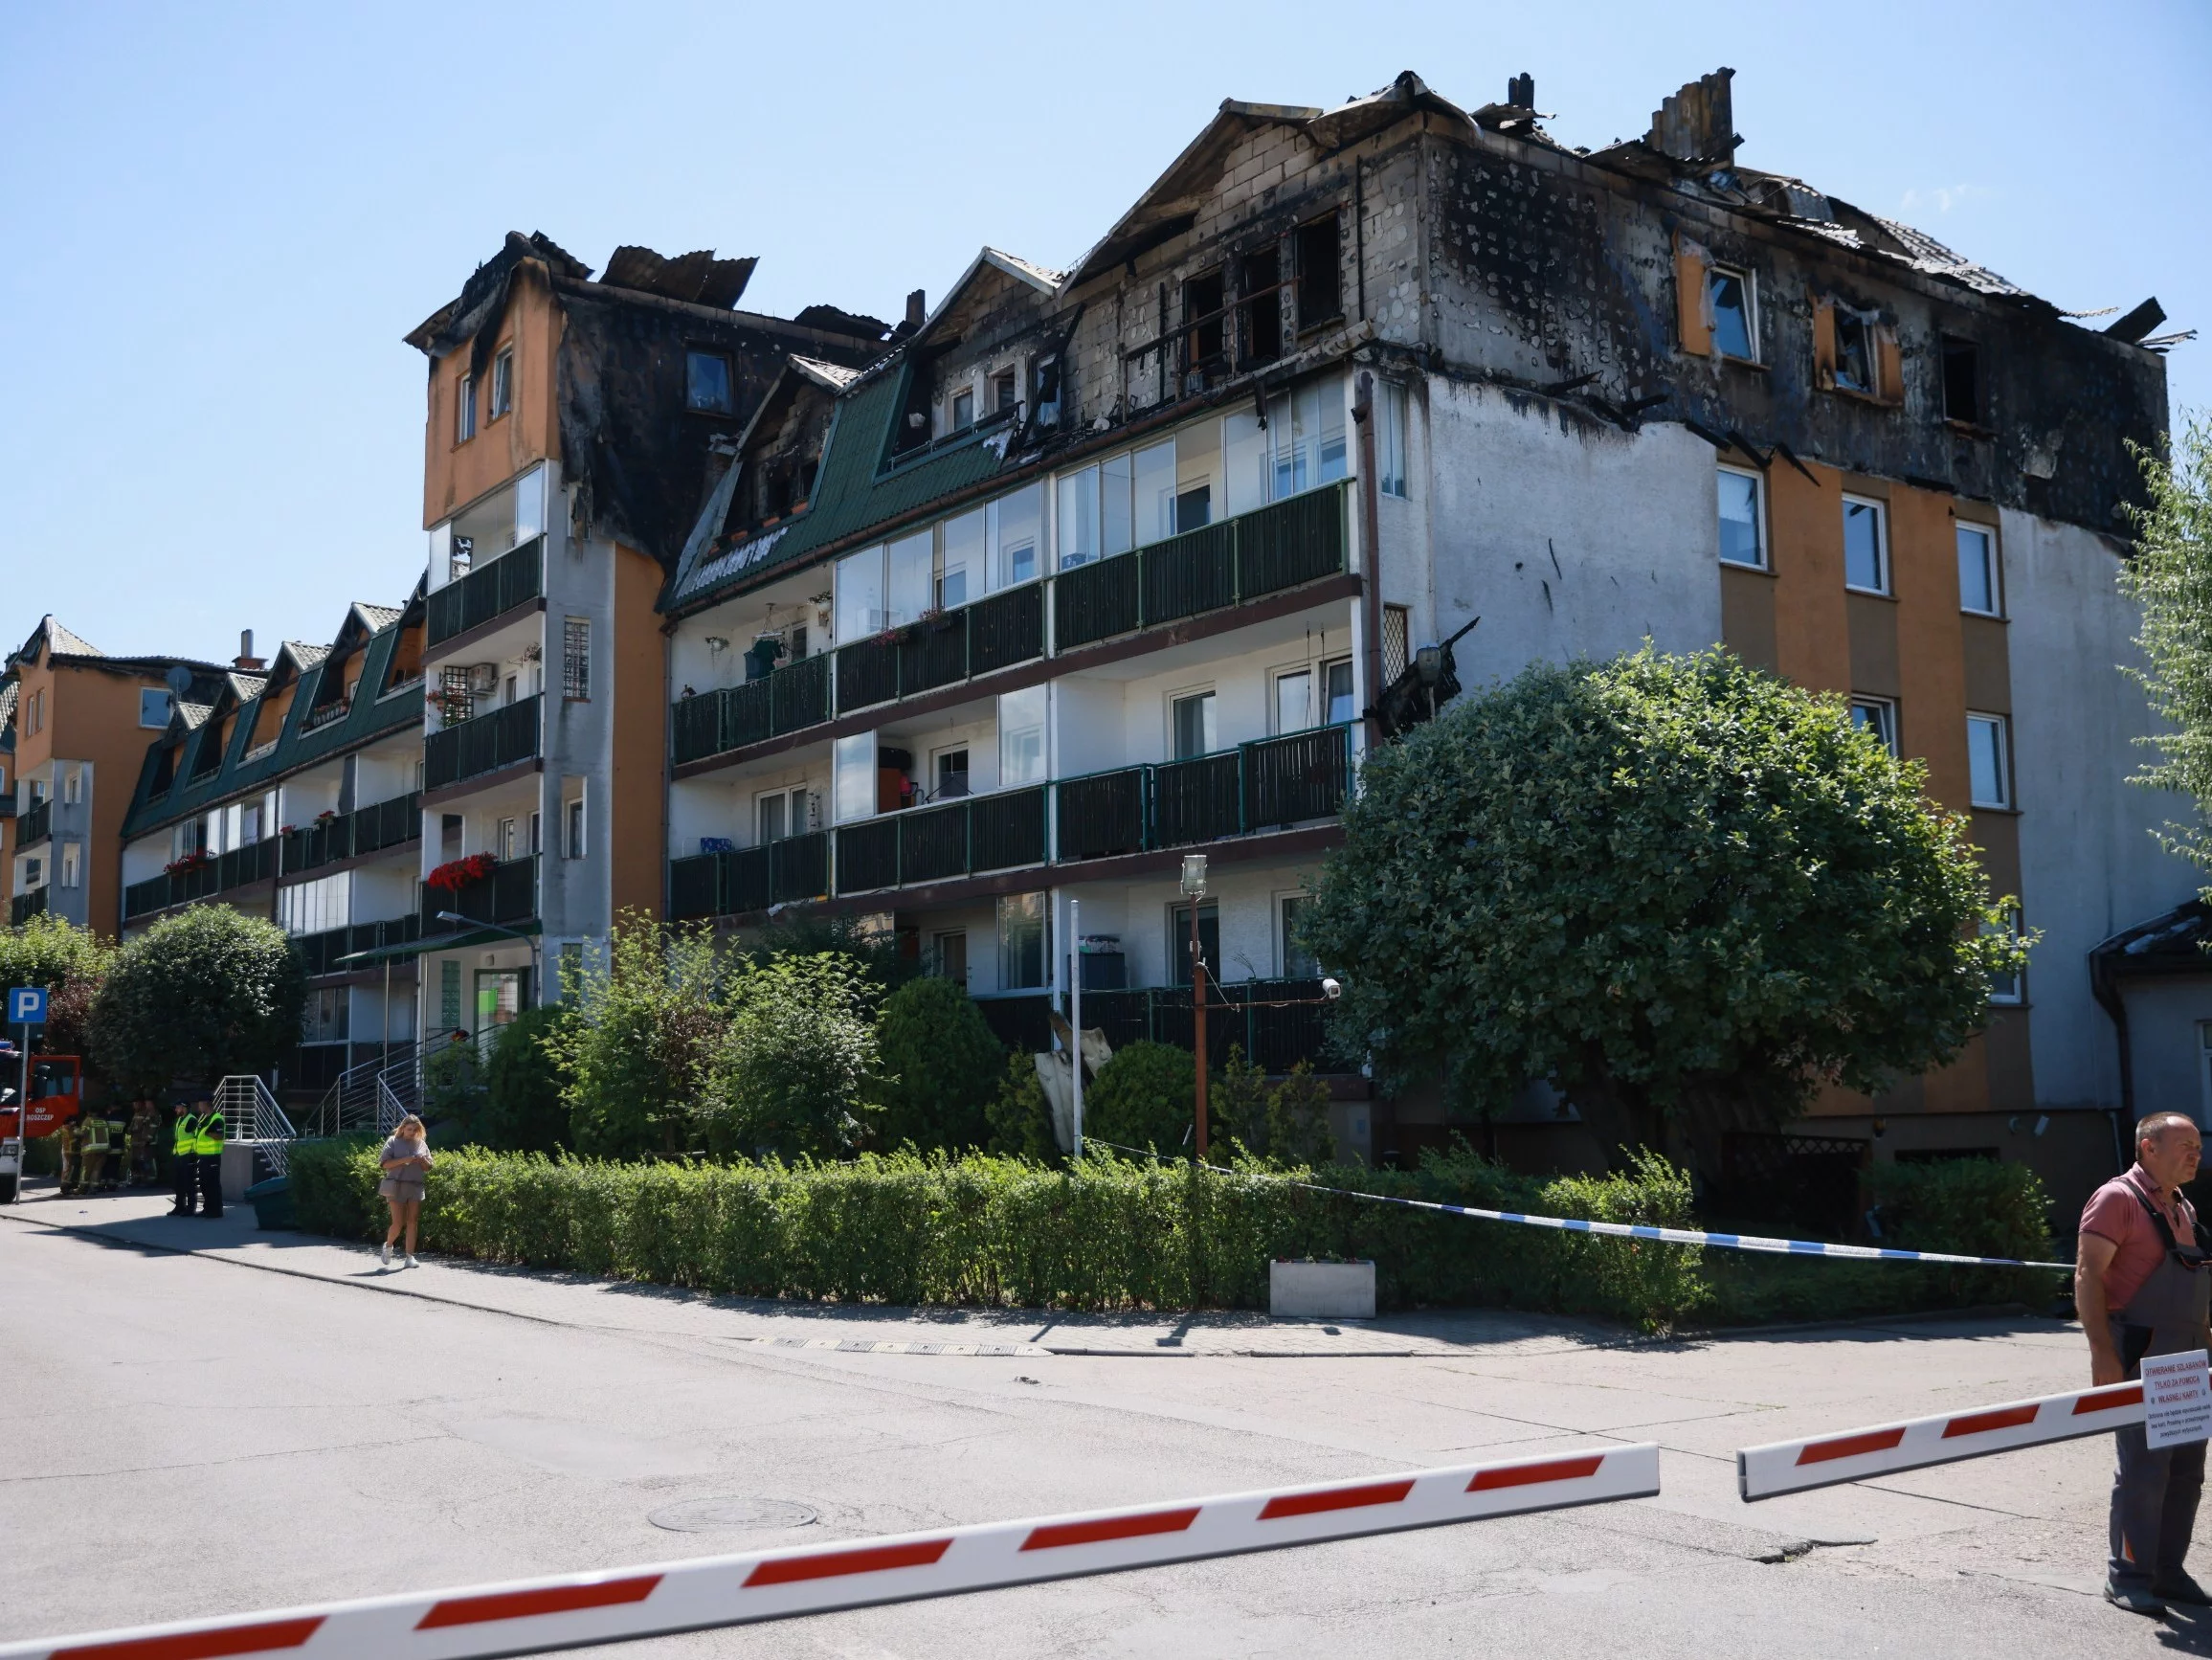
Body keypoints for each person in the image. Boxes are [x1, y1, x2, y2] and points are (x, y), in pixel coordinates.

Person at [2078, 1110, 2212, 1616]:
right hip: (2141, 1351)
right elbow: (2088, 1275)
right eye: (2185, 1144)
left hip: (2189, 1355)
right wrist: (2101, 1351)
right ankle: (2129, 1576)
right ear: (2149, 1147)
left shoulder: (2184, 1206)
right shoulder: (2118, 1199)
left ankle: (2168, 1572)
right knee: (2144, 1471)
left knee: (2186, 1472)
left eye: (2198, 1145)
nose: (2196, 1152)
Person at [376, 1114, 434, 1268]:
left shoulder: (421, 1143)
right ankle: (388, 1246)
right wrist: (405, 1159)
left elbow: (428, 1168)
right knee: (398, 1222)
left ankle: (410, 1257)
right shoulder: (393, 1142)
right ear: (402, 1128)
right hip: (396, 1185)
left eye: (416, 1130)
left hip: (415, 1185)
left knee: (412, 1221)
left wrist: (423, 1160)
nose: (413, 1132)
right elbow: (385, 1164)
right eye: (409, 1129)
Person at [191, 1088, 225, 1220]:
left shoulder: (216, 1118)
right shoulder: (205, 1119)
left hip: (212, 1156)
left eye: (200, 1104)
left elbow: (219, 1135)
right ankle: (208, 1208)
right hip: (204, 1156)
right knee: (205, 1184)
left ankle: (216, 1210)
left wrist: (209, 1133)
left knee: (212, 1184)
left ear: (205, 1104)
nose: (199, 1106)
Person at [168, 1099, 199, 1216]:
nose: (175, 1109)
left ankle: (190, 1209)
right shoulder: (180, 1119)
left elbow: (195, 1136)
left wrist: (194, 1154)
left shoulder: (191, 1120)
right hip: (179, 1154)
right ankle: (179, 1206)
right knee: (178, 1183)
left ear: (184, 1107)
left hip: (188, 1155)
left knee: (189, 1184)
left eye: (177, 1107)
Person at [129, 1099, 161, 1187]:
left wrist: (146, 1140)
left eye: (148, 1103)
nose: (146, 1105)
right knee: (139, 1161)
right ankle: (140, 1180)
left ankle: (150, 1180)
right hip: (142, 1142)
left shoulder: (153, 1114)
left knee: (148, 1161)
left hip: (149, 1143)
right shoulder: (146, 1114)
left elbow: (152, 1128)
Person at [76, 1108, 108, 1194]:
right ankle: (94, 1188)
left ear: (88, 1111)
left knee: (85, 1170)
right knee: (97, 1170)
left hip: (90, 1151)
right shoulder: (103, 1121)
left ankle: (82, 1189)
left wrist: (75, 1131)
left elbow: (83, 1133)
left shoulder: (88, 1121)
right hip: (103, 1150)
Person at [55, 1110, 80, 1196]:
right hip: (68, 1151)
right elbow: (74, 1136)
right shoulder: (68, 1128)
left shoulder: (64, 1128)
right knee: (67, 1169)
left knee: (67, 1169)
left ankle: (66, 1185)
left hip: (68, 1150)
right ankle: (64, 1186)